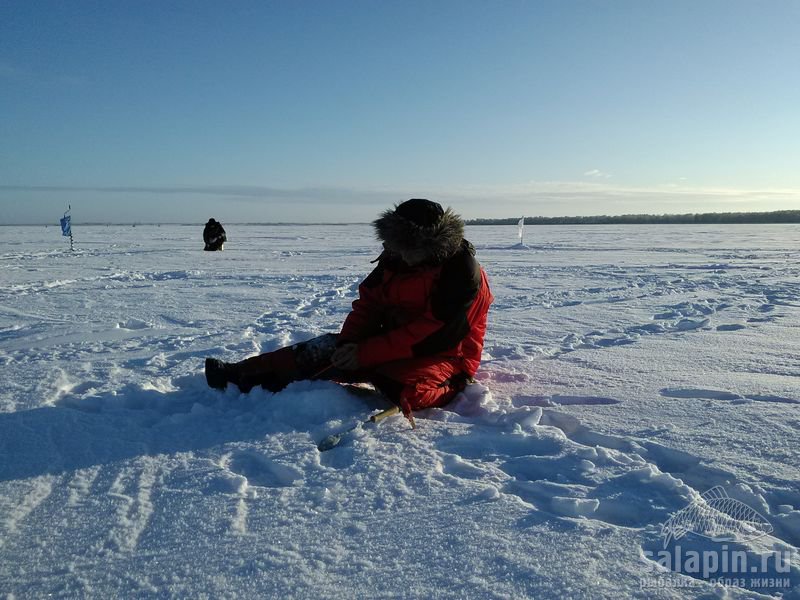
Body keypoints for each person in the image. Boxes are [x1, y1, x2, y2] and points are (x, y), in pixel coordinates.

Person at [205, 199, 493, 421]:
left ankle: (452, 385)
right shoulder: (397, 259)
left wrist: (366, 354)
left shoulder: (462, 274)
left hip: (446, 356)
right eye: (395, 245)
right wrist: (349, 343)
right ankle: (242, 373)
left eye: (405, 247)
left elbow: (435, 334)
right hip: (390, 344)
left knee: (400, 385)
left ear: (430, 245)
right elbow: (369, 303)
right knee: (324, 351)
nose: (398, 253)